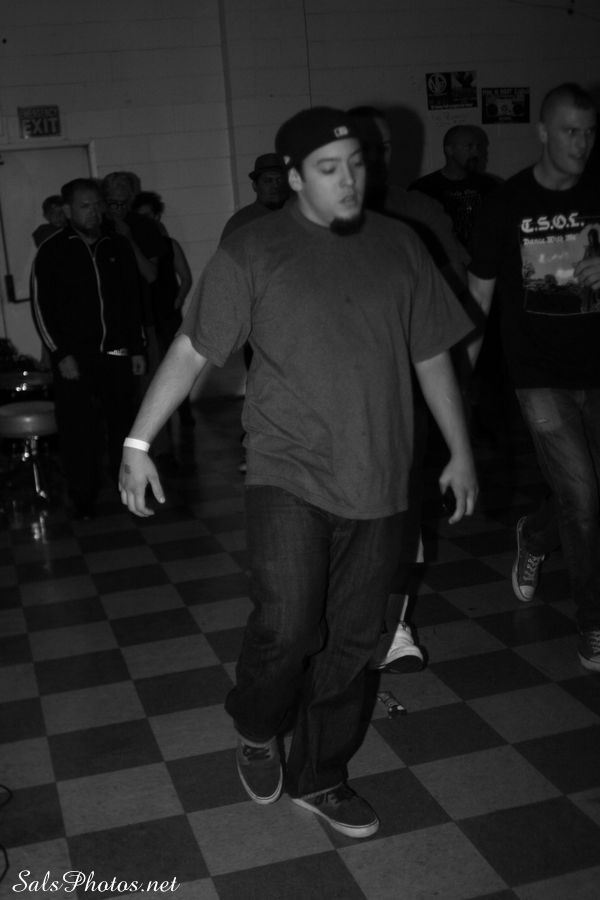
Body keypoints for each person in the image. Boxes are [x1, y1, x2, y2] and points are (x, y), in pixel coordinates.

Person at [118, 107, 478, 839]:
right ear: (291, 176)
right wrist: (137, 441)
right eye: (328, 168)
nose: (348, 180)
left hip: (381, 476)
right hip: (288, 471)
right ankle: (257, 726)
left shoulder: (399, 245)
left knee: (354, 640)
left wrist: (461, 450)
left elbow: (431, 352)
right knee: (286, 626)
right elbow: (193, 348)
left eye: (357, 164)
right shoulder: (252, 249)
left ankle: (321, 774)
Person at [468, 82, 600, 672]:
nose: (581, 143)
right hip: (538, 374)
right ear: (543, 132)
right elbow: (478, 296)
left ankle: (536, 536)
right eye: (570, 131)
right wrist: (460, 384)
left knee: (588, 496)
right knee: (584, 499)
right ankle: (594, 625)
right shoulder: (507, 204)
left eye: (590, 132)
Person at [31, 178, 145, 518]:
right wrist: (60, 353)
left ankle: (127, 487)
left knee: (124, 426)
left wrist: (137, 348)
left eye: (97, 205)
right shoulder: (52, 251)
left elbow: (132, 300)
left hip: (117, 354)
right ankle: (83, 495)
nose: (94, 212)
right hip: (74, 359)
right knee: (78, 430)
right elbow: (41, 307)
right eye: (85, 206)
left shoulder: (117, 246)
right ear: (67, 210)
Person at [132, 190, 195, 428]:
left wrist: (178, 300)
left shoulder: (169, 245)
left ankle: (185, 413)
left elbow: (185, 277)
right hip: (145, 315)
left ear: (157, 216)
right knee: (152, 366)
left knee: (176, 364)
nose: (145, 220)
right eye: (140, 216)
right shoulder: (133, 247)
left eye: (148, 215)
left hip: (168, 313)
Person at [410, 124, 500, 250]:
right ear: (449, 150)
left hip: (482, 257)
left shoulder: (489, 185)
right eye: (469, 146)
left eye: (478, 147)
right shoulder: (424, 188)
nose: (476, 153)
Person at [220, 153, 289, 241]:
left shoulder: (297, 215)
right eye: (268, 181)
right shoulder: (241, 222)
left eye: (279, 180)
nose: (275, 185)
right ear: (255, 186)